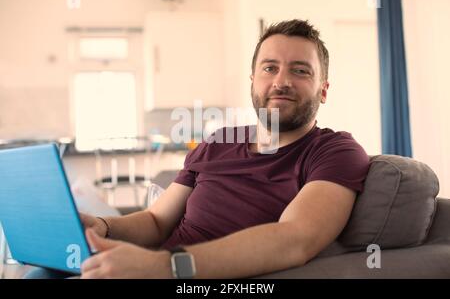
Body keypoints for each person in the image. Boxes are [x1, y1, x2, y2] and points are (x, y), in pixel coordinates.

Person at [28, 19, 370, 279]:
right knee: (41, 272)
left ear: (323, 90)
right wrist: (103, 226)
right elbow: (156, 221)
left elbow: (294, 240)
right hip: (153, 266)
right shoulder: (217, 142)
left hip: (195, 276)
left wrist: (162, 266)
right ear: (253, 80)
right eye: (270, 68)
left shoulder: (335, 151)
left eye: (300, 70)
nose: (281, 81)